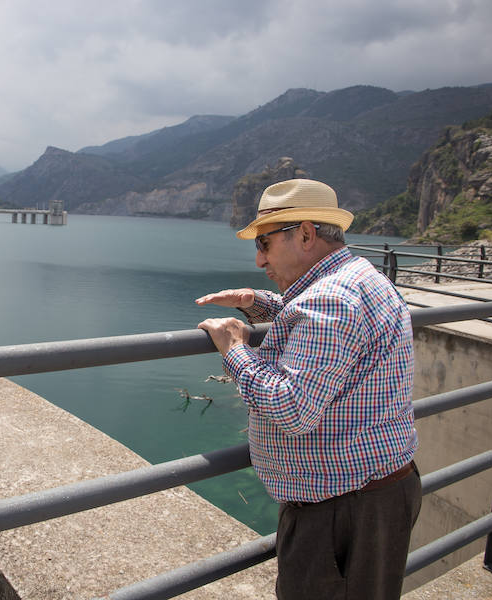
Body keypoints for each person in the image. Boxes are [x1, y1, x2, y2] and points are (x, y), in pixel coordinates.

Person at [196, 179, 420, 600]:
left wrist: (235, 348)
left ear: (304, 234)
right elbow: (315, 323)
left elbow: (291, 408)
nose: (259, 258)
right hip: (374, 495)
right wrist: (255, 301)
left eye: (264, 243)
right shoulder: (355, 276)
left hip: (342, 513)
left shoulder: (331, 299)